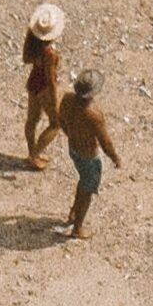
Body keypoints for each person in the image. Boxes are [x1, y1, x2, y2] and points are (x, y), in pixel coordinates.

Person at [59, 74, 121, 239]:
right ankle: (78, 228)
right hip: (88, 156)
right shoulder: (93, 114)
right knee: (87, 190)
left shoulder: (67, 99)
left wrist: (71, 135)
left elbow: (61, 120)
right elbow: (105, 141)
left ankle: (74, 212)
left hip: (73, 149)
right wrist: (115, 157)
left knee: (83, 182)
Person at [19, 5, 67, 169]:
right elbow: (51, 80)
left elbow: (26, 59)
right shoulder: (50, 54)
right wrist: (55, 102)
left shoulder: (32, 42)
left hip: (33, 83)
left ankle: (31, 152)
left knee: (32, 120)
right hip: (44, 88)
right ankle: (35, 154)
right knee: (56, 123)